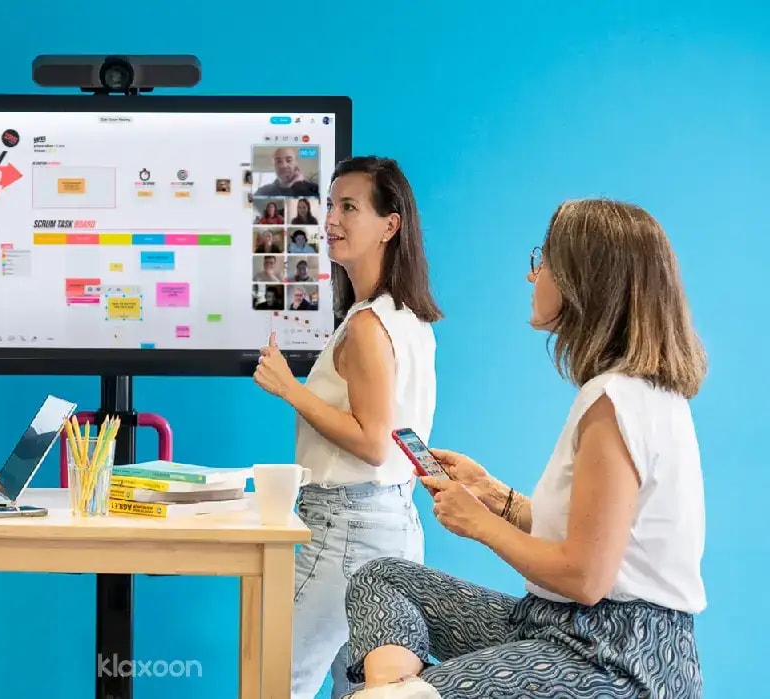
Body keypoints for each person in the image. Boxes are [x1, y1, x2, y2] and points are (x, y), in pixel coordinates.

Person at [341, 199, 707, 699]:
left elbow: (585, 577)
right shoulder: (644, 392)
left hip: (613, 658)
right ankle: (395, 691)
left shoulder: (616, 402)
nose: (534, 276)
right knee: (383, 578)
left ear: (585, 279)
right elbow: (596, 539)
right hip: (555, 625)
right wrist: (496, 497)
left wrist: (480, 523)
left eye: (546, 261)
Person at [253, 156, 443, 699]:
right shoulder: (410, 319)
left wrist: (291, 389)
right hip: (395, 527)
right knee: (363, 691)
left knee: (273, 679)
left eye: (350, 207)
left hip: (346, 531)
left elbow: (374, 441)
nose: (332, 219)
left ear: (391, 224)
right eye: (330, 205)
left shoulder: (366, 326)